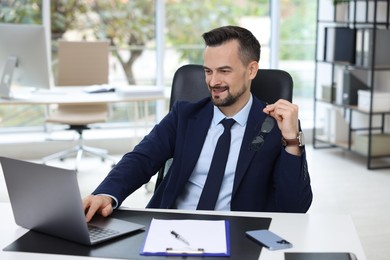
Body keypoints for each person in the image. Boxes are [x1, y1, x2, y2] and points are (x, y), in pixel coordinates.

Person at [83, 25, 312, 222]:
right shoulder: (185, 115)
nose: (213, 81)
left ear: (251, 70)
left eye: (224, 71)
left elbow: (294, 207)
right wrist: (106, 194)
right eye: (208, 71)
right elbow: (141, 159)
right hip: (171, 229)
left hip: (236, 235)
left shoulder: (277, 126)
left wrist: (292, 140)